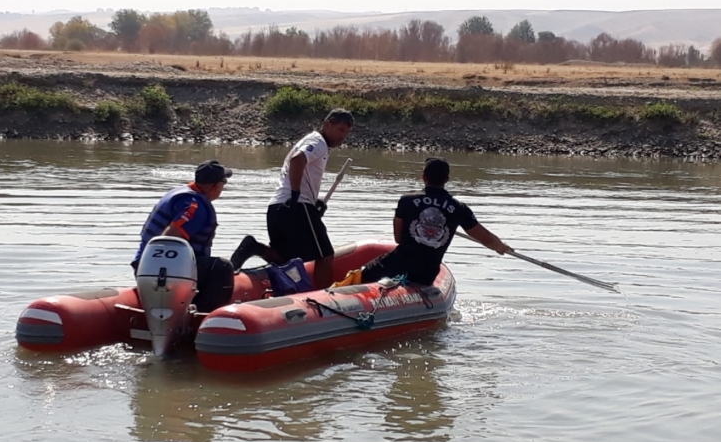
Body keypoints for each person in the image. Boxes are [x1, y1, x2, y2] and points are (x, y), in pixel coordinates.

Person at [235, 108, 354, 290]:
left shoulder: (312, 141)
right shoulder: (318, 141)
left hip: (276, 207)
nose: (343, 137)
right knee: (325, 255)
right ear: (327, 124)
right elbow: (298, 160)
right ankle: (325, 296)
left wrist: (313, 203)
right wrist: (296, 194)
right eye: (340, 130)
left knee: (287, 259)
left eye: (346, 132)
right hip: (296, 205)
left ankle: (256, 248)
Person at [360, 157, 511, 286]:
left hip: (399, 264)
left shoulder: (406, 201)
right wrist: (500, 246)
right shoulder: (459, 208)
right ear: (447, 179)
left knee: (363, 274)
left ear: (424, 177)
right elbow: (486, 238)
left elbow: (398, 238)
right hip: (427, 273)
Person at [131, 160, 235, 314]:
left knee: (206, 266)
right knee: (222, 268)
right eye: (224, 183)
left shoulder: (181, 194)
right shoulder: (194, 207)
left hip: (144, 266)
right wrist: (164, 275)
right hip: (163, 270)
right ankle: (202, 317)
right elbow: (170, 237)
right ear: (216, 185)